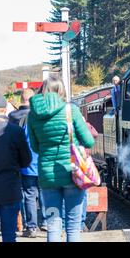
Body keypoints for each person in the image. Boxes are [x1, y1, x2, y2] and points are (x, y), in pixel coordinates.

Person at [27, 75, 95, 242]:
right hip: (72, 173)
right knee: (72, 225)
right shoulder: (70, 110)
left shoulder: (33, 115)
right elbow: (88, 141)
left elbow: (35, 147)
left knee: (53, 224)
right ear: (61, 90)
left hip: (47, 177)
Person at [0, 93, 32, 242]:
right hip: (10, 189)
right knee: (9, 235)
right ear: (4, 110)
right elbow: (26, 160)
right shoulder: (15, 131)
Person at [9, 89, 47, 237]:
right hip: (43, 161)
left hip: (26, 163)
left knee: (29, 195)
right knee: (45, 192)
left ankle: (31, 226)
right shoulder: (41, 116)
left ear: (21, 98)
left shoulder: (13, 117)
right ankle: (46, 222)